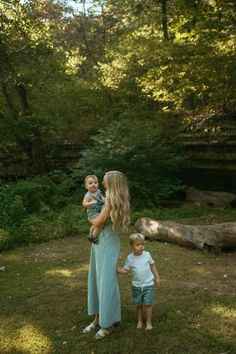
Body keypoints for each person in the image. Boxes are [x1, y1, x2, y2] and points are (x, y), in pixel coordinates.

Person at [83, 171, 130, 339]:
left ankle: (108, 324)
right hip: (100, 241)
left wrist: (91, 219)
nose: (102, 184)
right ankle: (98, 318)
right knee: (97, 279)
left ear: (111, 183)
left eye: (104, 181)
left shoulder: (110, 200)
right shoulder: (108, 197)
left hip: (108, 241)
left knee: (106, 283)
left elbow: (97, 222)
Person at [117, 233, 160, 330]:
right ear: (132, 245)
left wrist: (157, 277)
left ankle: (149, 322)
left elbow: (152, 265)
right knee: (139, 305)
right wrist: (116, 270)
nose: (141, 246)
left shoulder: (147, 255)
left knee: (148, 305)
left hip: (148, 284)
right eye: (138, 244)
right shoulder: (130, 258)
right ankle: (140, 321)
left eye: (142, 244)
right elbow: (126, 270)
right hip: (136, 286)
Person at [82, 175, 105, 244]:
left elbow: (101, 198)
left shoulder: (98, 191)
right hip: (93, 212)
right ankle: (94, 236)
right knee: (101, 224)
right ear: (86, 186)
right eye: (90, 183)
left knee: (95, 225)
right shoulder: (88, 195)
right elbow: (84, 204)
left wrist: (104, 200)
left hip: (98, 210)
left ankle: (90, 234)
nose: (93, 184)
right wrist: (91, 202)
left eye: (95, 182)